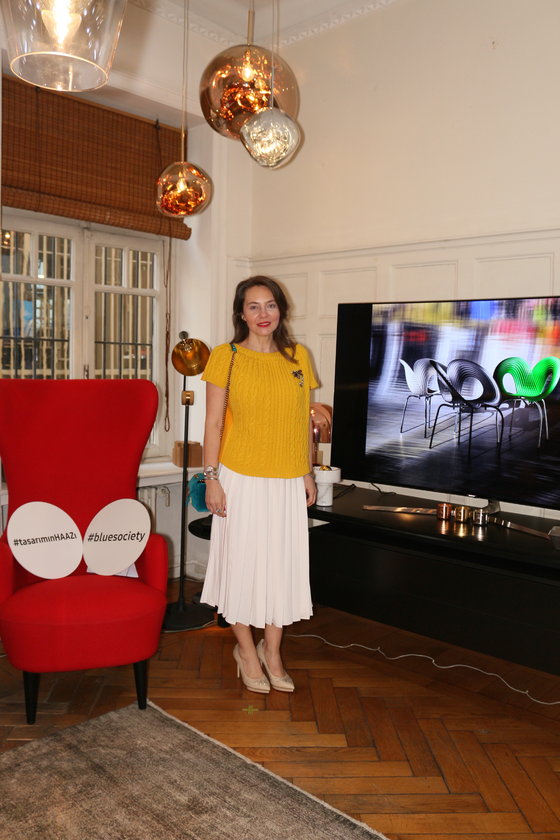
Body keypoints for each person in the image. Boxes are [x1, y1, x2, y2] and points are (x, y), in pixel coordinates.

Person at [201, 276, 318, 694]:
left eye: (270, 305)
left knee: (279, 569)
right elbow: (213, 424)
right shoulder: (226, 357)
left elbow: (302, 420)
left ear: (280, 310)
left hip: (286, 481)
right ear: (241, 314)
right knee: (242, 567)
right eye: (253, 306)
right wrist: (211, 479)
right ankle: (247, 652)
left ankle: (273, 652)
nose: (263, 314)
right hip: (240, 478)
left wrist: (307, 471)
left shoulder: (298, 357)